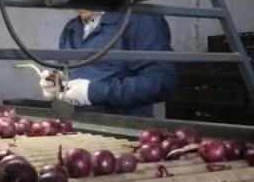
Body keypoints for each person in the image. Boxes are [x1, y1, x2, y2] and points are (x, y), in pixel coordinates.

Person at [40, 10, 178, 117]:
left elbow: (162, 82)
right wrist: (56, 83)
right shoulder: (71, 28)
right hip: (77, 126)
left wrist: (93, 92)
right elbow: (64, 73)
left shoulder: (140, 19)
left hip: (123, 129)